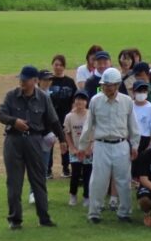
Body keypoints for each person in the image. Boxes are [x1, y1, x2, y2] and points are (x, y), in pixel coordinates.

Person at [0, 65, 66, 229]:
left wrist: (62, 139)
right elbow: (0, 114)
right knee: (14, 182)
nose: (21, 82)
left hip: (34, 140)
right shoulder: (11, 96)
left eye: (25, 79)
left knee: (38, 179)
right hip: (13, 141)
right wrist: (14, 122)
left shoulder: (43, 97)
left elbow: (53, 120)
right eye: (21, 79)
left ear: (35, 81)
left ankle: (44, 218)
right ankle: (15, 220)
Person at [78, 67, 141, 224]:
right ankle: (94, 213)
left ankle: (124, 212)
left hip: (121, 145)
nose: (106, 88)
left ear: (117, 85)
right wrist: (82, 147)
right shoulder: (95, 101)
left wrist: (135, 145)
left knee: (124, 180)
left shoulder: (126, 102)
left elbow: (133, 125)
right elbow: (88, 125)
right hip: (101, 145)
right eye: (104, 85)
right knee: (98, 180)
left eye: (109, 85)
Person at [47, 54, 76, 178]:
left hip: (64, 118)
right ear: (52, 65)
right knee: (49, 143)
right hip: (50, 118)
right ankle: (47, 169)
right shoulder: (48, 80)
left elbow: (74, 100)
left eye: (60, 65)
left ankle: (65, 168)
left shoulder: (69, 82)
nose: (58, 67)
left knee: (65, 143)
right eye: (56, 64)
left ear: (64, 66)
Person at [64, 91, 92, 207]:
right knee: (75, 173)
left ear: (86, 102)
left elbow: (94, 133)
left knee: (87, 174)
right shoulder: (69, 116)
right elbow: (67, 133)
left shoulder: (91, 115)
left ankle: (87, 196)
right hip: (75, 150)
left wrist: (89, 149)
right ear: (74, 101)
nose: (80, 102)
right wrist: (72, 148)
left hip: (88, 151)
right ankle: (73, 195)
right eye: (77, 99)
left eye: (83, 99)